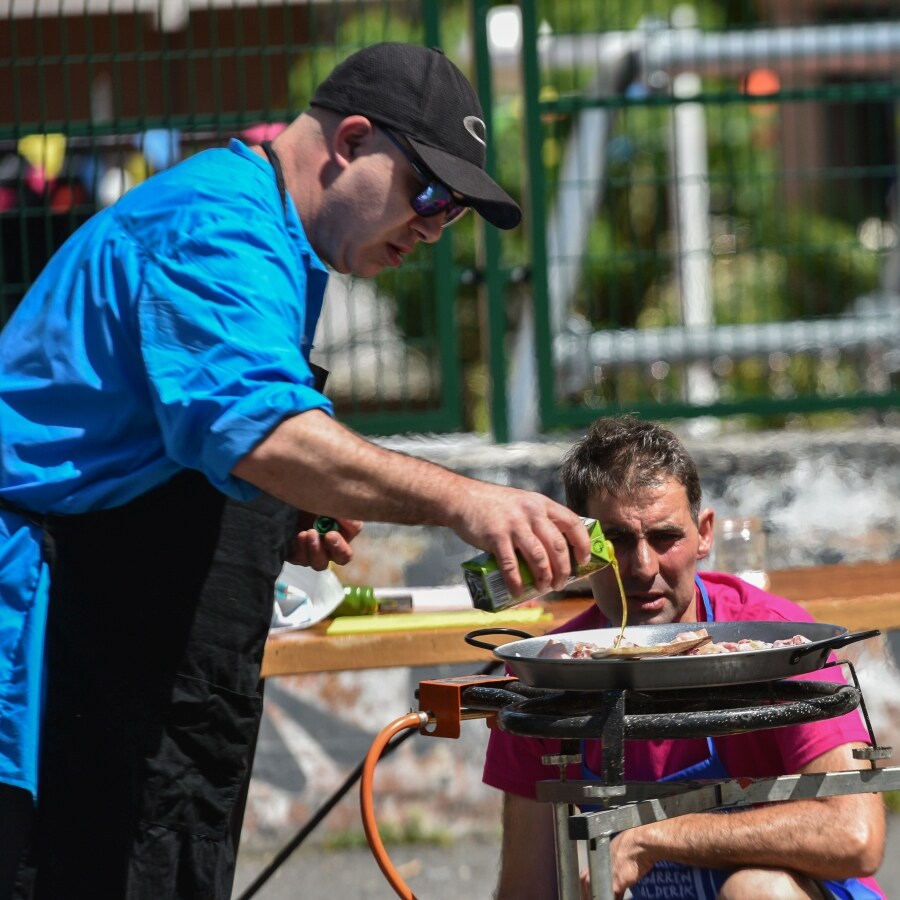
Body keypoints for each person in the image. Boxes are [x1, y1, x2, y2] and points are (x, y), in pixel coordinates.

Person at [0, 42, 593, 900]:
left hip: (117, 635)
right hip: (38, 628)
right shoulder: (215, 226)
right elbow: (260, 432)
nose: (432, 225)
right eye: (429, 191)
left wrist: (284, 513)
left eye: (454, 212)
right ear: (350, 141)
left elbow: (188, 435)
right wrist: (466, 501)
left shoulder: (279, 240)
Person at [483, 415, 886, 900]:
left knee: (758, 891)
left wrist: (653, 838)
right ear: (579, 548)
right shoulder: (548, 673)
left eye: (664, 537)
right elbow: (529, 890)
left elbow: (855, 835)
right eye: (616, 540)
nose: (643, 567)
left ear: (704, 534)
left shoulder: (777, 645)